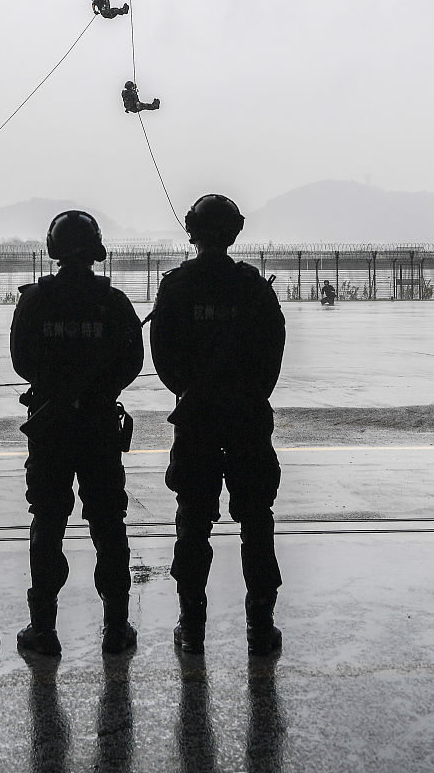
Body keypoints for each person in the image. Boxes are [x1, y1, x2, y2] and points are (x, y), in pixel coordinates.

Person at [149, 194, 286, 656]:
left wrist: (192, 391)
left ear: (193, 231)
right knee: (256, 522)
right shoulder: (254, 287)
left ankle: (192, 628)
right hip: (247, 419)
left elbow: (163, 358)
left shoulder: (176, 286)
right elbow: (272, 355)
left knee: (193, 522)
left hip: (197, 419)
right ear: (233, 232)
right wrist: (247, 395)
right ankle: (261, 628)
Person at [10, 210, 144, 655]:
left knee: (47, 522)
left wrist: (58, 386)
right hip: (100, 425)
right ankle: (116, 627)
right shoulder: (115, 303)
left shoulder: (35, 301)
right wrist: (98, 386)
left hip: (51, 427)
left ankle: (43, 628)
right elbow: (131, 363)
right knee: (109, 524)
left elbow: (22, 361)